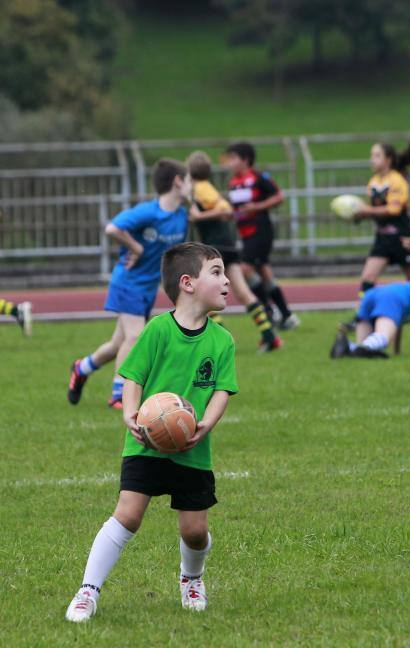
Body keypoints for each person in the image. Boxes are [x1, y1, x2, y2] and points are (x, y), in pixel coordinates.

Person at [65, 242, 238, 623]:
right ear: (188, 283)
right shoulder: (158, 329)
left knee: (195, 532)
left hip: (192, 448)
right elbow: (132, 376)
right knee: (127, 515)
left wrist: (205, 424)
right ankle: (87, 591)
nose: (227, 281)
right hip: (145, 444)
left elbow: (222, 391)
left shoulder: (222, 340)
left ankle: (192, 578)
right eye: (217, 272)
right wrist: (131, 415)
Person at [68, 159, 190, 409]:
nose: (193, 186)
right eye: (189, 181)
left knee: (117, 344)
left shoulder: (182, 216)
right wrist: (136, 246)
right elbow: (112, 228)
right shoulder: (148, 211)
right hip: (128, 282)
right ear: (178, 182)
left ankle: (82, 368)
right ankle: (118, 394)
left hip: (147, 288)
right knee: (135, 336)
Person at [186, 151, 281, 352]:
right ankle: (270, 336)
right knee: (243, 291)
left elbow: (226, 210)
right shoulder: (207, 187)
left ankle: (220, 340)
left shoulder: (201, 189)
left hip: (214, 247)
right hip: (227, 245)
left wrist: (197, 217)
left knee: (201, 295)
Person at [224, 141, 299, 330]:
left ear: (245, 160)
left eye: (233, 158)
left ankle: (267, 310)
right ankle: (287, 315)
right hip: (245, 233)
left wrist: (257, 207)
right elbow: (237, 209)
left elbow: (279, 196)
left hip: (261, 230)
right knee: (265, 273)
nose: (230, 162)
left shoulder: (258, 177)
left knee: (245, 268)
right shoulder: (233, 182)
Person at [330, 272, 410, 359]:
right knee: (382, 337)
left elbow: (398, 323)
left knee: (361, 349)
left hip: (372, 294)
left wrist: (397, 352)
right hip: (391, 297)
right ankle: (361, 347)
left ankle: (347, 347)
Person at [353, 141, 410, 300]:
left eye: (377, 156)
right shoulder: (374, 182)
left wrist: (366, 211)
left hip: (402, 238)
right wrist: (357, 215)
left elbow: (393, 210)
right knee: (368, 277)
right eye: (371, 156)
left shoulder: (397, 180)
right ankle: (362, 316)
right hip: (383, 238)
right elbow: (373, 210)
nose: (372, 160)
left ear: (388, 160)